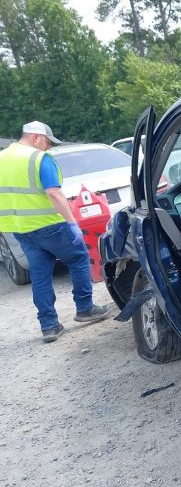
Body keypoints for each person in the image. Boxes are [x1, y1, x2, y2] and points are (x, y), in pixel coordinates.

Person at [0, 121, 109, 342]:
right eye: (47, 142)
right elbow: (54, 193)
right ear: (36, 137)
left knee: (40, 274)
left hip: (21, 229)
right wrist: (72, 223)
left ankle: (49, 326)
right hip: (51, 224)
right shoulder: (38, 158)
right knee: (78, 258)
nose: (48, 147)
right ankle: (85, 308)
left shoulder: (2, 159)